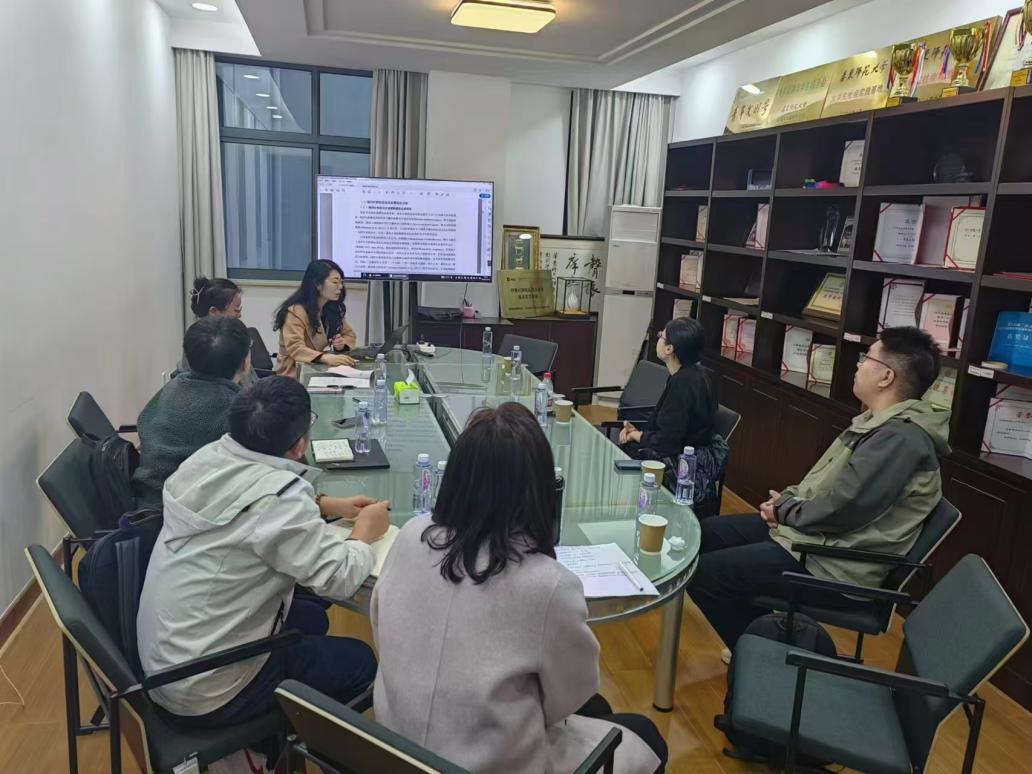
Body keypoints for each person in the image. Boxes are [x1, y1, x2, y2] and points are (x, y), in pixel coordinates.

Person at [371, 403, 668, 774]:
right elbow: (572, 693)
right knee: (645, 735)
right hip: (486, 763)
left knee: (599, 713)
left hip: (393, 749)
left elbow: (381, 629)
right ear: (541, 491)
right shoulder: (547, 583)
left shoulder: (412, 534)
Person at [137, 375, 389, 728]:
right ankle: (280, 743)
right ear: (299, 445)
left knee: (311, 617)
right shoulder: (279, 500)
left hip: (167, 664)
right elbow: (339, 578)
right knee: (361, 663)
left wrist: (322, 504)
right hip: (210, 689)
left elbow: (244, 507)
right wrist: (364, 532)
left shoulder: (207, 457)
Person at [687, 326, 949, 652]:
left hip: (836, 567)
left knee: (707, 576)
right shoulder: (878, 423)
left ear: (886, 377)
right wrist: (788, 503)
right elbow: (825, 485)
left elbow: (843, 508)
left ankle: (765, 657)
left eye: (867, 359)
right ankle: (768, 637)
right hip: (815, 538)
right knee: (707, 533)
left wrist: (784, 511)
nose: (858, 365)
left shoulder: (900, 440)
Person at [132, 316, 253, 508]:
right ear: (245, 363)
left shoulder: (172, 387)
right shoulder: (238, 409)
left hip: (146, 498)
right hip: (186, 511)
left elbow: (144, 424)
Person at [619, 318, 727, 517]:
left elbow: (667, 442)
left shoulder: (682, 384)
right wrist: (639, 433)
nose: (659, 338)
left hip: (678, 467)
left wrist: (636, 436)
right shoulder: (698, 374)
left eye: (662, 336)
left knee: (618, 461)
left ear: (669, 349)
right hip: (685, 454)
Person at [273, 259, 357, 377]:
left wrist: (341, 346)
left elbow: (349, 334)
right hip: (293, 372)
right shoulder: (295, 312)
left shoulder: (330, 308)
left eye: (341, 282)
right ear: (317, 284)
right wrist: (325, 357)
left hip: (316, 368)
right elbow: (296, 348)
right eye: (335, 282)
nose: (340, 287)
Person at [181, 276, 258, 387]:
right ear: (214, 312)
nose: (240, 315)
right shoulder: (201, 345)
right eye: (236, 310)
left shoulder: (231, 336)